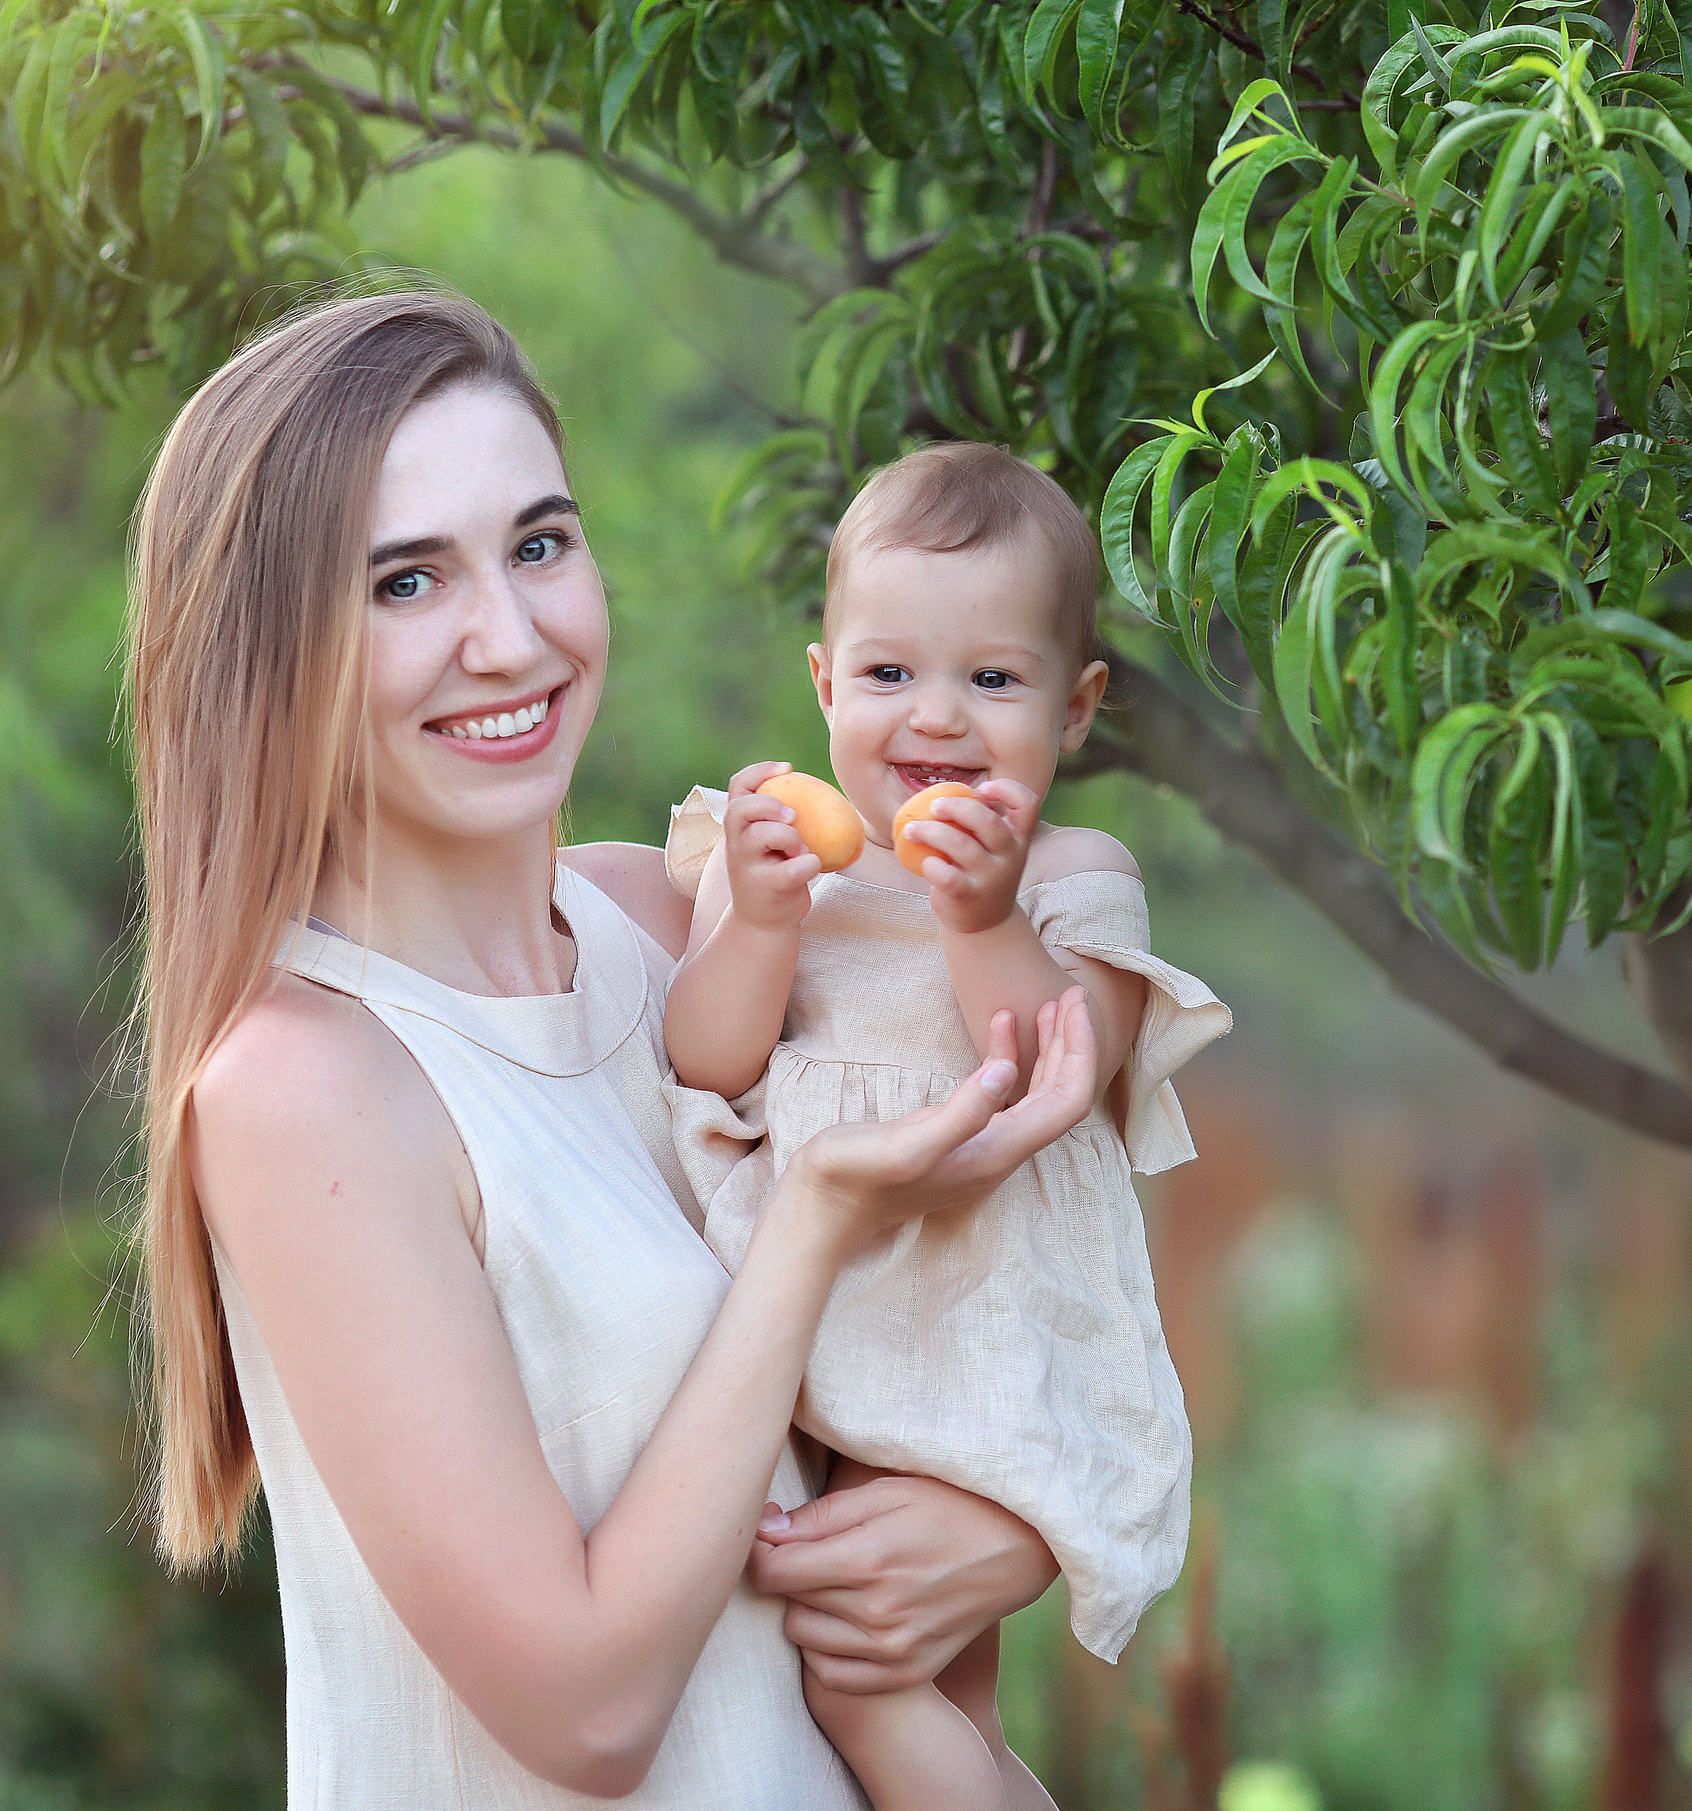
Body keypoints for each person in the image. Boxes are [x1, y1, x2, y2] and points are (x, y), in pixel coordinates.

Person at [125, 289, 1097, 1808]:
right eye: (405, 583)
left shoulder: (686, 923)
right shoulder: (307, 1084)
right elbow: (586, 1714)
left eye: (539, 545)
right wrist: (816, 1223)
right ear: (271, 647)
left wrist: (1007, 1531)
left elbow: (991, 1299)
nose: (510, 639)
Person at [663, 443, 1231, 1808]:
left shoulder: (1071, 875)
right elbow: (706, 1059)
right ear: (824, 685)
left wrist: (978, 917)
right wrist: (761, 921)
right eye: (888, 674)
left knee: (863, 1677)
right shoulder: (774, 861)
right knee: (935, 1701)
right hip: (817, 1311)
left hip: (977, 1315)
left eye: (992, 679)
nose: (936, 718)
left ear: (1075, 707)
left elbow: (1053, 1070)